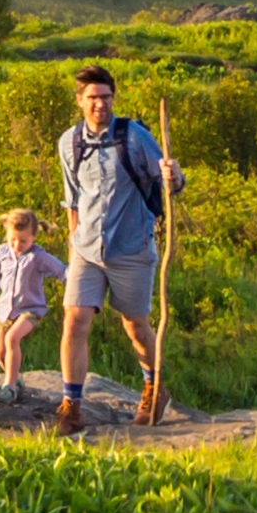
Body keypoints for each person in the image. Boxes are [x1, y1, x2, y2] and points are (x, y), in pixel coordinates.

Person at [54, 66, 176, 432]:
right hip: (87, 250)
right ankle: (71, 406)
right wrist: (74, 244)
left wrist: (174, 175)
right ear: (79, 101)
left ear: (113, 100)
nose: (99, 105)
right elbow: (71, 198)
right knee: (74, 321)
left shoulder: (134, 136)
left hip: (132, 249)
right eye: (91, 98)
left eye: (105, 97)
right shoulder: (68, 142)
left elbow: (169, 181)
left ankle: (155, 390)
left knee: (135, 325)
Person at [0, 204, 58, 401]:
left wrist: (82, 282)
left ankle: (8, 387)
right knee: (0, 353)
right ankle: (16, 381)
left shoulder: (38, 257)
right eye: (12, 240)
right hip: (5, 312)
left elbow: (62, 271)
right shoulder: (1, 253)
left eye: (23, 241)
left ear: (34, 236)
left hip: (30, 309)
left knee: (12, 339)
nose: (17, 245)